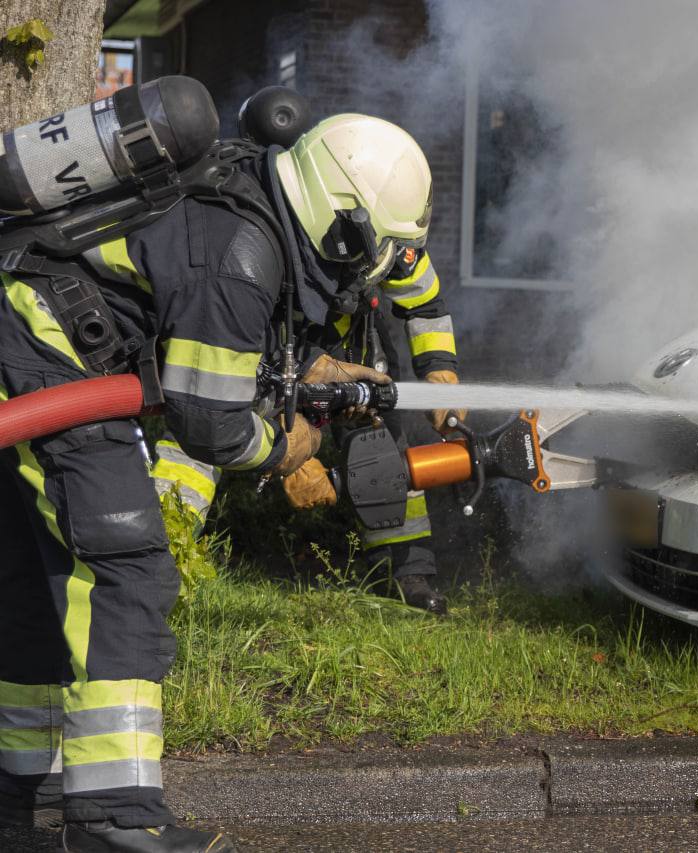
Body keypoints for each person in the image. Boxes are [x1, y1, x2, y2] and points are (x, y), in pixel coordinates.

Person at [0, 111, 432, 852]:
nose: (378, 269)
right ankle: (113, 819)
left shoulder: (249, 199)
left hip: (28, 336)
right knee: (126, 568)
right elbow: (209, 423)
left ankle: (20, 790)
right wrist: (285, 448)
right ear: (347, 229)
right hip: (44, 355)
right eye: (382, 251)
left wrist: (318, 371)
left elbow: (214, 328)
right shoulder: (242, 252)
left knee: (40, 572)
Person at [152, 239, 461, 615]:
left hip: (351, 343)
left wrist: (440, 370)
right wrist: (288, 453)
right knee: (201, 428)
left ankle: (404, 573)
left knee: (383, 452)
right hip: (269, 342)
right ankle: (158, 556)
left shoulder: (393, 232)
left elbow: (425, 303)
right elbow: (244, 331)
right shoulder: (266, 237)